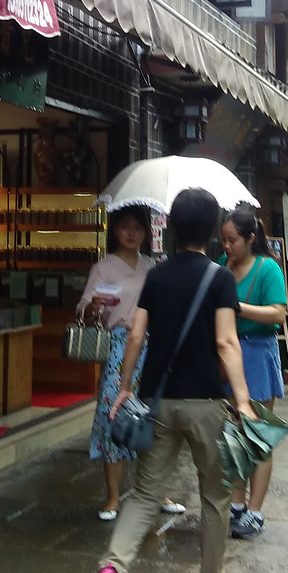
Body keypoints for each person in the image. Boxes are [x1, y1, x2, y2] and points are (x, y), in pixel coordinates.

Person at [88, 188, 256, 573]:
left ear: (174, 228)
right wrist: (243, 398)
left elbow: (138, 335)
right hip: (206, 403)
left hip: (157, 401)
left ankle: (111, 572)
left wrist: (125, 387)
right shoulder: (219, 278)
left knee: (145, 495)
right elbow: (225, 341)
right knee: (216, 497)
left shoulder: (156, 277)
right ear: (213, 232)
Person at [77, 206, 185, 522]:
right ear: (115, 230)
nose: (131, 233)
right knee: (113, 415)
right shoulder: (103, 268)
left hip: (152, 347)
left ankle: (156, 491)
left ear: (145, 232)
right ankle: (112, 496)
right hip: (118, 347)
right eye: (125, 226)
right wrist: (93, 308)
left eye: (137, 227)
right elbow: (83, 312)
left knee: (156, 418)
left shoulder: (153, 267)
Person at [217, 203, 287, 540]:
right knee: (233, 436)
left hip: (257, 355)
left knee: (258, 437)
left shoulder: (268, 269)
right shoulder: (220, 267)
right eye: (224, 240)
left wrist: (237, 305)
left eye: (233, 240)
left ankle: (255, 511)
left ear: (251, 239)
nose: (227, 246)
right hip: (226, 355)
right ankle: (237, 505)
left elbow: (278, 314)